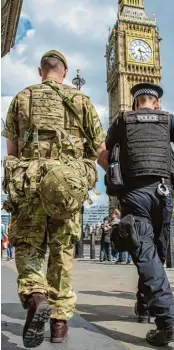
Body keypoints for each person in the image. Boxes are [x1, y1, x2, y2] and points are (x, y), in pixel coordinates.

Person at [1, 50, 106, 347]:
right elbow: (101, 150)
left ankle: (36, 297)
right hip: (67, 188)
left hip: (30, 185)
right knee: (62, 252)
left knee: (28, 245)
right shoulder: (81, 100)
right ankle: (59, 324)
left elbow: (11, 151)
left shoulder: (21, 98)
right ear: (64, 71)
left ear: (40, 71)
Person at [98, 82, 174, 347]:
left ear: (135, 102)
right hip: (163, 194)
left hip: (135, 194)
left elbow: (101, 154)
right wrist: (169, 164)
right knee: (155, 253)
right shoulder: (169, 119)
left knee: (146, 253)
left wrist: (117, 172)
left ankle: (167, 321)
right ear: (157, 102)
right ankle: (144, 306)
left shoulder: (123, 120)